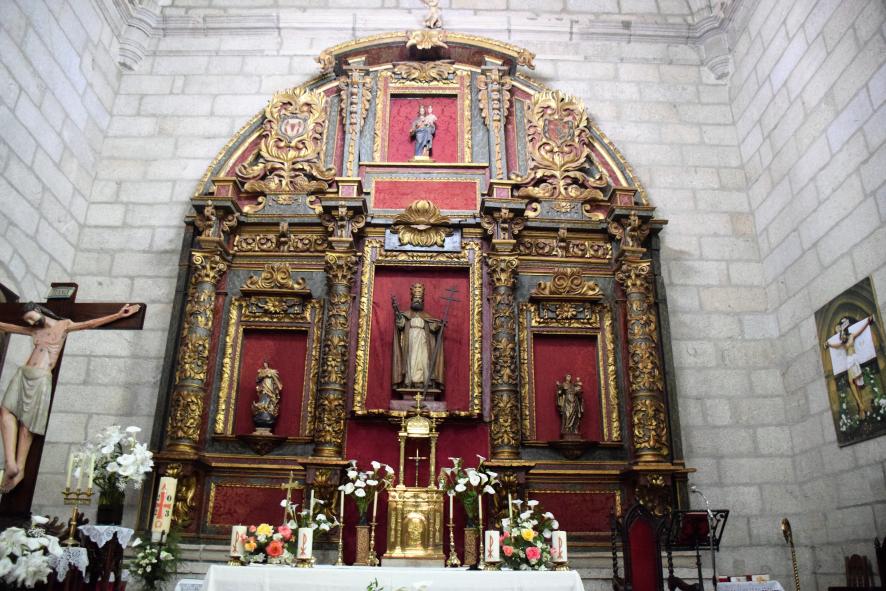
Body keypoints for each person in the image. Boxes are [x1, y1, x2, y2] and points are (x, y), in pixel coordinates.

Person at [0, 302, 140, 492]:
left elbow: (90, 323)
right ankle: (10, 462)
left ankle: (20, 467)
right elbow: (7, 326)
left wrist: (118, 315)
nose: (31, 322)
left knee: (27, 424)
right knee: (5, 411)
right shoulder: (34, 330)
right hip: (23, 373)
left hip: (40, 377)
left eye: (31, 317)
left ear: (38, 310)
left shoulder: (64, 325)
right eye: (28, 321)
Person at [392, 283, 444, 391]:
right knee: (411, 360)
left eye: (419, 299)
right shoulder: (406, 315)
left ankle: (423, 382)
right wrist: (398, 314)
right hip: (410, 340)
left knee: (423, 360)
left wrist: (439, 325)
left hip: (423, 341)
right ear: (412, 299)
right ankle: (410, 382)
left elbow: (433, 327)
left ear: (422, 301)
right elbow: (400, 325)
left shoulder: (427, 316)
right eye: (415, 298)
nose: (417, 300)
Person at [825, 316, 875, 418]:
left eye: (843, 333)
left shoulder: (852, 336)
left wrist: (867, 322)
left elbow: (860, 331)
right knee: (852, 382)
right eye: (841, 335)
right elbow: (835, 345)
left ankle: (861, 406)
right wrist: (829, 344)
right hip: (849, 361)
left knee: (855, 383)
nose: (843, 336)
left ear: (845, 331)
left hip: (854, 360)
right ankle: (861, 405)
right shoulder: (842, 343)